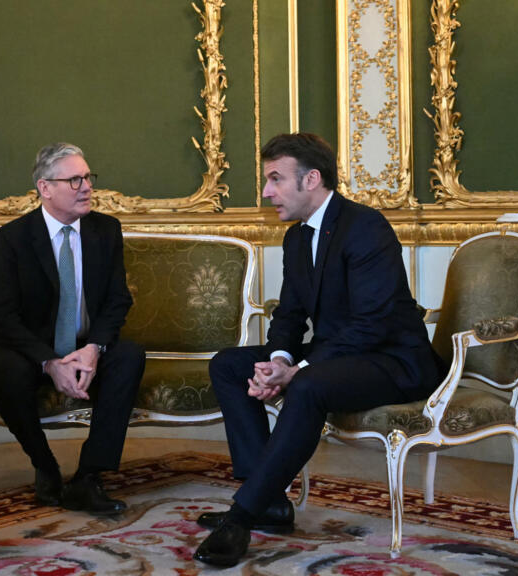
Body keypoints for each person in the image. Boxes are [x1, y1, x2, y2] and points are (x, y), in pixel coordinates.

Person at [193, 133, 446, 567]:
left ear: (311, 179)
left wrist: (300, 369)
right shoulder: (296, 238)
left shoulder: (365, 226)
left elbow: (371, 324)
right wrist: (277, 362)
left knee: (308, 385)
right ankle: (268, 501)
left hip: (395, 360)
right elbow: (289, 317)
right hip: (339, 356)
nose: (266, 191)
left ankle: (241, 516)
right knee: (229, 365)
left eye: (275, 178)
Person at [0, 142, 145, 515]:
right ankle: (45, 466)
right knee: (5, 369)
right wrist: (50, 362)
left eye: (88, 177)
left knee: (129, 356)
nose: (87, 186)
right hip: (27, 347)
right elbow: (3, 316)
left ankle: (89, 476)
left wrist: (94, 349)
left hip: (86, 344)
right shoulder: (13, 237)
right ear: (45, 188)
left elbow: (118, 300)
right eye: (74, 180)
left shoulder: (106, 230)